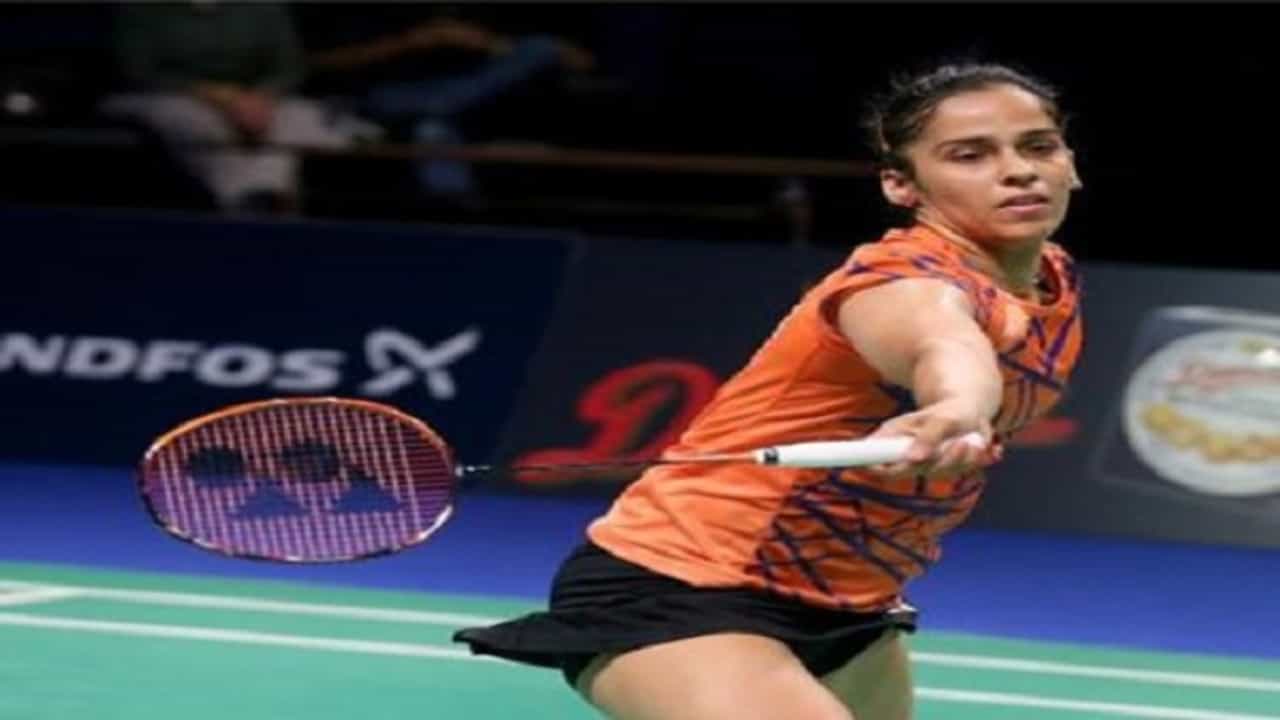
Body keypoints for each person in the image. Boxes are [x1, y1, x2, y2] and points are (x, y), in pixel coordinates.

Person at [454, 61, 1085, 720]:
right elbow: (943, 342)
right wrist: (957, 408)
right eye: (969, 155)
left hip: (850, 603)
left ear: (1070, 163)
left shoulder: (1053, 277)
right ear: (901, 185)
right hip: (682, 579)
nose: (1018, 170)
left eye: (1038, 146)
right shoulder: (897, 280)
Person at [101, 2, 355, 214]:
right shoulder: (142, 8)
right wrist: (222, 97)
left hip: (255, 99)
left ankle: (265, 201)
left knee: (300, 118)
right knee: (196, 121)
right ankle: (239, 204)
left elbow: (288, 67)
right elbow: (139, 71)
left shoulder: (263, 7)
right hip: (169, 96)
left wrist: (262, 97)